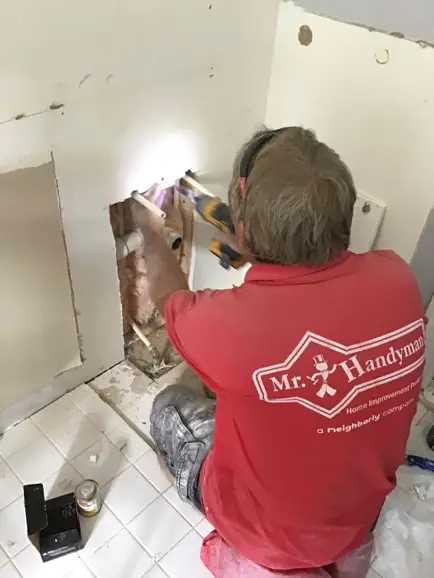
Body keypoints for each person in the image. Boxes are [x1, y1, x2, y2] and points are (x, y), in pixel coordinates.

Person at [132, 127, 425, 576]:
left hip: (266, 537)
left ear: (244, 226)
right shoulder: (398, 279)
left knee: (168, 406)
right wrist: (258, 253)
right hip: (354, 523)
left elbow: (172, 298)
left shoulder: (228, 328)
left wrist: (150, 231)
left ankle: (236, 536)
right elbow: (309, 305)